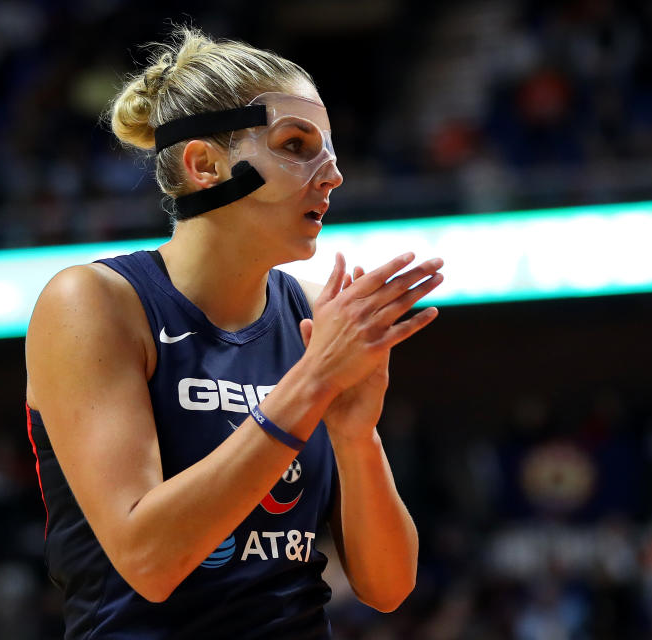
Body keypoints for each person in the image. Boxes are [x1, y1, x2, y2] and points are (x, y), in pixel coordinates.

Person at [24, 26, 444, 639]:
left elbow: (387, 588)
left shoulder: (302, 314)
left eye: (329, 150)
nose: (332, 175)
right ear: (205, 165)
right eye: (296, 145)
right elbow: (149, 560)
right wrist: (313, 381)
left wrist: (357, 436)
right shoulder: (93, 303)